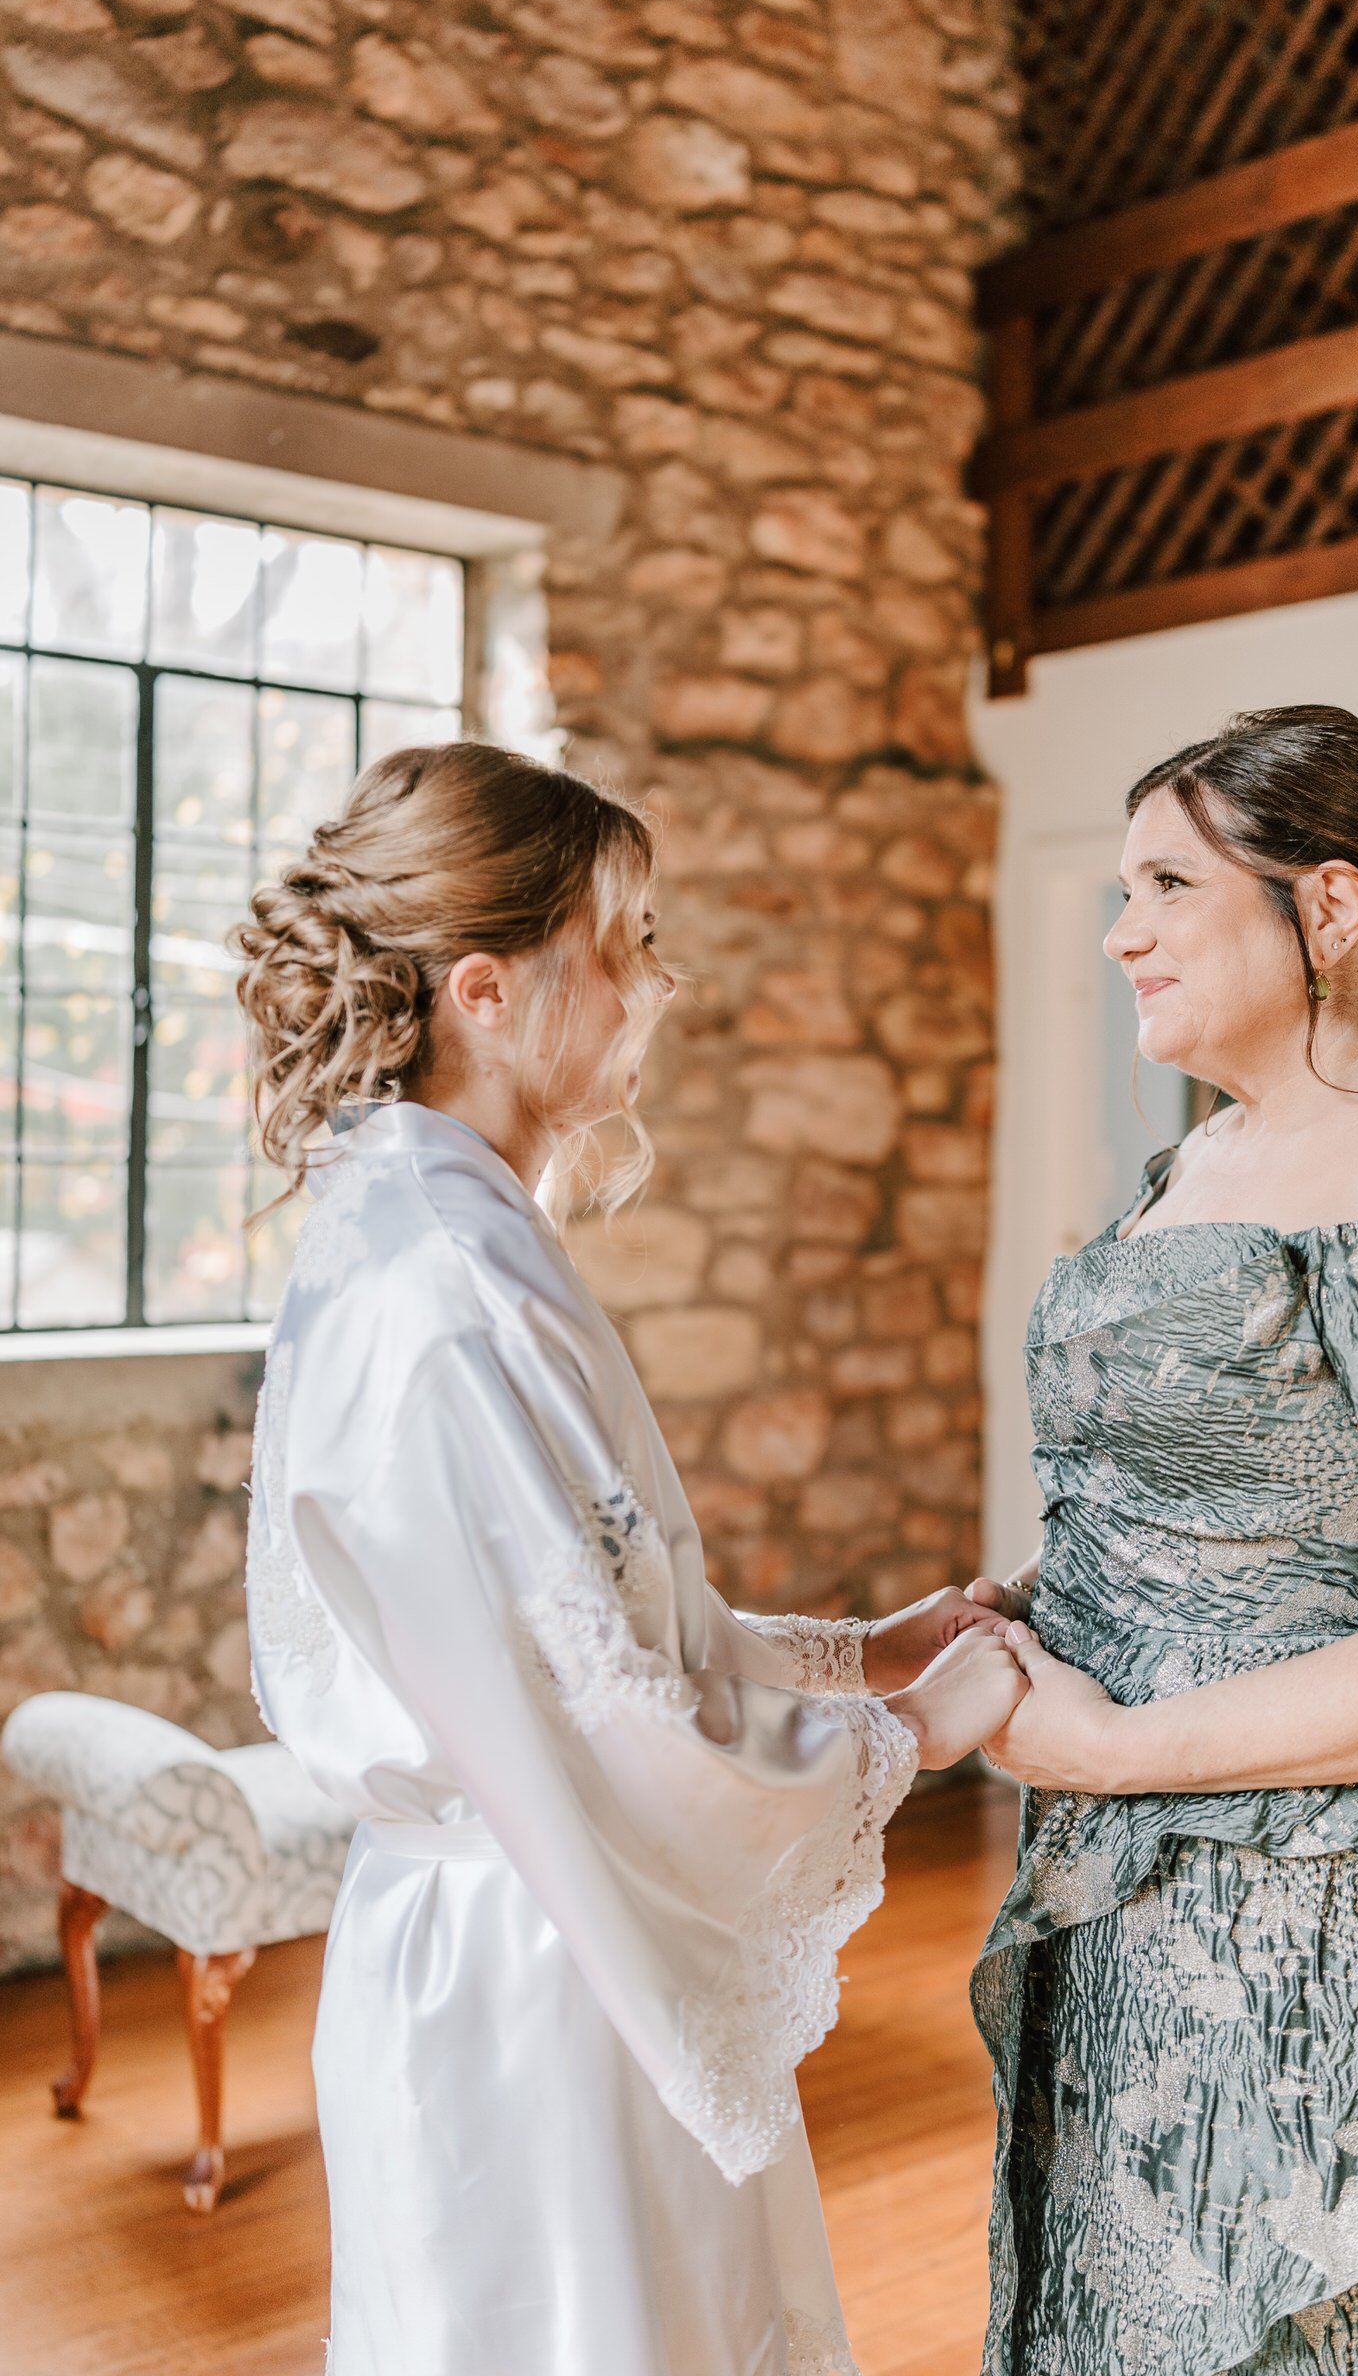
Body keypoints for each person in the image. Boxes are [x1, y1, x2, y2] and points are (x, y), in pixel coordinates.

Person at [232, 740, 1027, 2376]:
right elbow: (612, 1720)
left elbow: (581, 1624)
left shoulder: (427, 1224)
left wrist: (858, 1651)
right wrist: (925, 1735)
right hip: (544, 1973)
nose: (661, 983)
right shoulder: (450, 1285)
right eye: (628, 939)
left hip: (529, 1920)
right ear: (486, 991)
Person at [964, 704, 1358, 2376]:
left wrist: (1112, 1744)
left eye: (1169, 884)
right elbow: (1219, 1503)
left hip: (1314, 1912)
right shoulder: (1205, 1160)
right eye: (1122, 888)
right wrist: (1015, 1616)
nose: (1123, 932)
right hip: (1119, 1886)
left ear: (1330, 910)